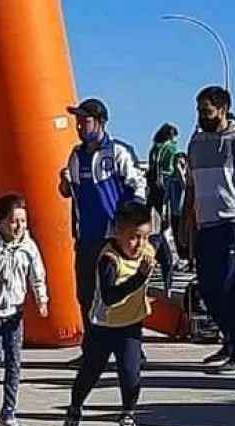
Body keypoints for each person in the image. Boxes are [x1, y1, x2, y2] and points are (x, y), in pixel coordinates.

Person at [62, 202, 158, 426]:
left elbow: (162, 250)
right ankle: (75, 408)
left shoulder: (148, 250)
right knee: (90, 373)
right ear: (117, 232)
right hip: (102, 326)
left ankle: (127, 416)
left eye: (145, 236)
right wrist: (139, 278)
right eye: (134, 237)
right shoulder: (109, 259)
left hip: (131, 326)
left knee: (130, 373)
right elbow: (109, 296)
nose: (140, 244)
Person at [60, 98, 146, 368]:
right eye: (78, 121)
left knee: (121, 294)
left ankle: (131, 348)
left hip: (115, 239)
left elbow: (139, 189)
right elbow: (69, 192)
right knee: (86, 295)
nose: (80, 126)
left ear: (100, 122)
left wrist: (131, 229)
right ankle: (93, 349)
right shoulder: (76, 155)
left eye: (85, 120)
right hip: (86, 238)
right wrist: (63, 184)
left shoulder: (118, 152)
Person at [188, 86, 235, 375]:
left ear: (222, 109)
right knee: (207, 290)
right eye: (198, 111)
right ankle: (229, 340)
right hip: (205, 224)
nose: (201, 116)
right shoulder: (195, 142)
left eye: (206, 111)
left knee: (229, 288)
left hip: (233, 223)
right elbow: (192, 186)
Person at [0, 194, 48, 426]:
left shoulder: (28, 248)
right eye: (14, 221)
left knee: (14, 361)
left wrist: (42, 300)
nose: (18, 227)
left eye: (23, 222)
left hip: (14, 312)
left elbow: (37, 276)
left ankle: (8, 410)